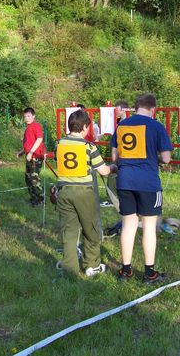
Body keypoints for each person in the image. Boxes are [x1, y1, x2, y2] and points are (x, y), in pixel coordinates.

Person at [110, 93, 172, 283]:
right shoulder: (156, 126)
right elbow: (167, 158)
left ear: (135, 108)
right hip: (148, 182)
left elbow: (114, 157)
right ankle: (149, 272)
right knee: (149, 227)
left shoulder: (121, 126)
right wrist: (156, 158)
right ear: (153, 109)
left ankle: (126, 270)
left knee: (128, 226)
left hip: (125, 181)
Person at [56, 109, 112, 277]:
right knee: (91, 228)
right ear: (85, 127)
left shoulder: (60, 143)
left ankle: (69, 267)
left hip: (64, 192)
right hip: (84, 193)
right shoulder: (88, 146)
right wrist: (114, 167)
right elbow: (103, 171)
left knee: (69, 230)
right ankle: (92, 265)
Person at [104, 100, 129, 237]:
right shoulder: (119, 123)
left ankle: (127, 218)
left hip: (123, 162)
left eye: (117, 109)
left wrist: (115, 162)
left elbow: (115, 147)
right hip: (122, 162)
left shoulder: (125, 124)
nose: (116, 112)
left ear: (124, 109)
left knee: (118, 189)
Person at [16, 107, 46, 207]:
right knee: (28, 179)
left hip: (35, 157)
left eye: (29, 116)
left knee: (34, 178)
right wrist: (22, 152)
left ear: (33, 116)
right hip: (29, 156)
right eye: (25, 116)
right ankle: (34, 199)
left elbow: (39, 139)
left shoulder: (36, 126)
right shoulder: (28, 128)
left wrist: (31, 152)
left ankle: (41, 200)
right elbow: (28, 144)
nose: (27, 118)